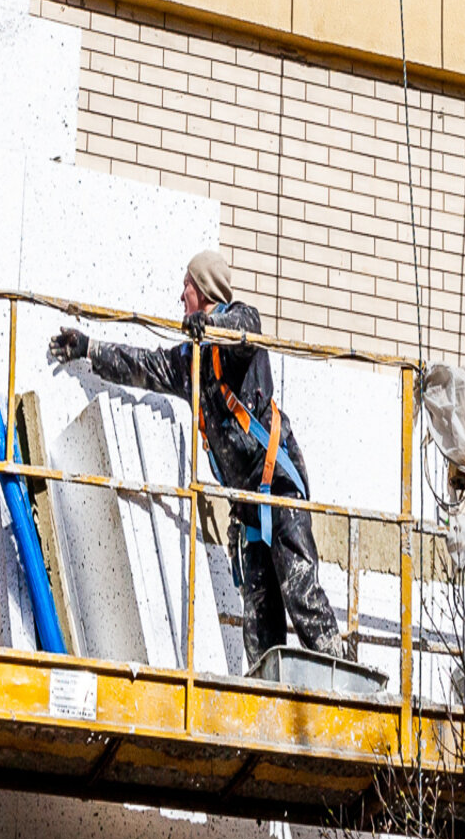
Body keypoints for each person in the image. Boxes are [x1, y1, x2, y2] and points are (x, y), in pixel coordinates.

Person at [49, 250, 345, 668]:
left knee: (301, 596)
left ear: (203, 290)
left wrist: (211, 324)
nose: (180, 296)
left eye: (185, 287)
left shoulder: (239, 337)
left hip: (279, 490)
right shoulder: (193, 362)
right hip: (248, 510)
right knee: (260, 623)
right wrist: (89, 349)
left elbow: (247, 325)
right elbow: (145, 366)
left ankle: (352, 685)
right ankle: (266, 697)